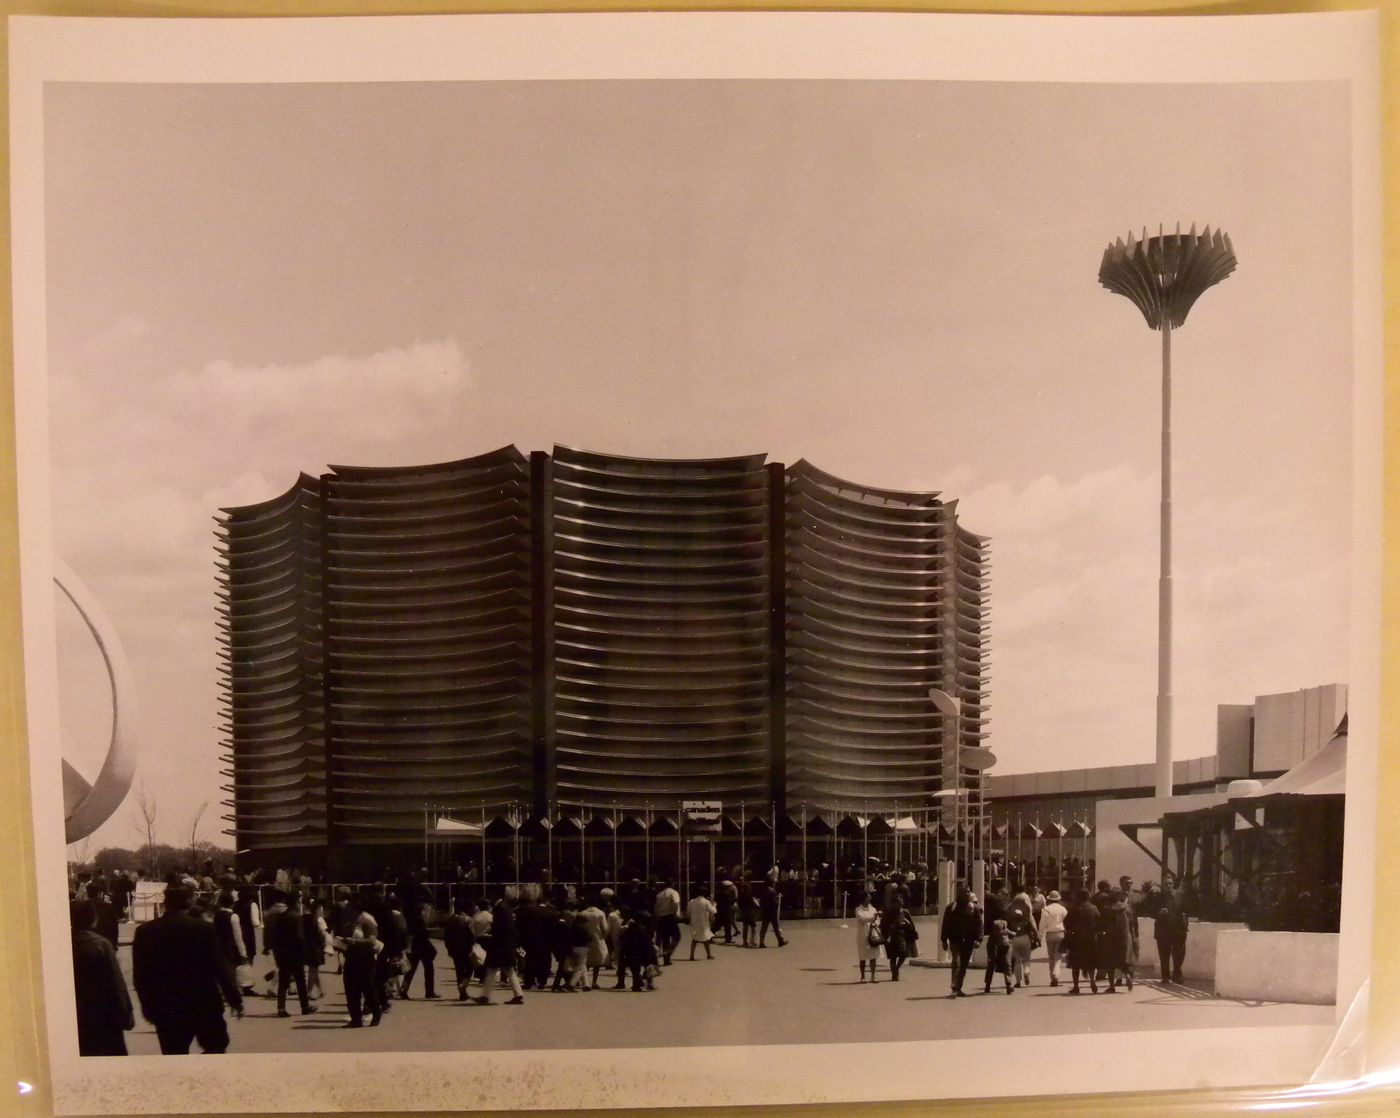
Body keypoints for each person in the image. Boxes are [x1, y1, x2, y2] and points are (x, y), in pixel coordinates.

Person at [131, 885, 244, 1054]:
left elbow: (141, 976)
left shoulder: (145, 931)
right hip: (204, 1003)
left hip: (167, 1007)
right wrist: (234, 999)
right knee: (215, 1050)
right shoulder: (204, 929)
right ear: (189, 902)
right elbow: (220, 968)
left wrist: (148, 1007)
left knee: (174, 1056)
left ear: (165, 903)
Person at [71, 898, 133, 1056]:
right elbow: (116, 983)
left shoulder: (64, 944)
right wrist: (126, 1015)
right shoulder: (101, 945)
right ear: (93, 919)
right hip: (103, 1016)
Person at [268, 893, 318, 1017]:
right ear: (296, 902)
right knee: (300, 980)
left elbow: (276, 935)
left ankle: (281, 1008)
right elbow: (299, 937)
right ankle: (305, 1006)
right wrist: (304, 951)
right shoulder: (296, 917)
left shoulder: (282, 916)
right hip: (295, 952)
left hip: (283, 952)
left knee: (283, 981)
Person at [336, 900, 383, 1027]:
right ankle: (355, 1018)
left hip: (365, 960)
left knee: (368, 988)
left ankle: (376, 1014)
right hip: (351, 959)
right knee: (351, 990)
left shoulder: (367, 922)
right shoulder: (350, 923)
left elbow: (372, 941)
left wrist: (354, 942)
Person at [478, 898, 524, 1005]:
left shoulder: (500, 909)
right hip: (507, 946)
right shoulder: (506, 909)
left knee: (492, 970)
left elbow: (498, 929)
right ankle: (518, 994)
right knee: (509, 971)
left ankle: (485, 996)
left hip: (499, 947)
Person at [939, 886, 982, 997]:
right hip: (955, 939)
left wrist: (979, 939)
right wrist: (944, 939)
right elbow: (945, 924)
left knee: (963, 965)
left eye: (968, 892)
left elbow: (979, 925)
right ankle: (954, 986)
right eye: (964, 892)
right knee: (956, 962)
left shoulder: (974, 908)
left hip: (969, 940)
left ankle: (958, 988)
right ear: (959, 894)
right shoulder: (951, 908)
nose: (967, 894)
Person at [1096, 889, 1135, 993]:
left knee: (1110, 963)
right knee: (1123, 960)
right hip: (1125, 937)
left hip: (1111, 937)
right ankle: (1127, 975)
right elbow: (1132, 924)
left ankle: (1111, 986)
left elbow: (1101, 925)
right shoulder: (1127, 908)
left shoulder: (1106, 909)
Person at [401, 896, 439, 1000]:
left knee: (410, 970)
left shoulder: (410, 919)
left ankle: (404, 989)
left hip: (415, 947)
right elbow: (420, 934)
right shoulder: (419, 920)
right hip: (423, 947)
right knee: (429, 969)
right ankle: (429, 991)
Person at [1063, 889, 1100, 994]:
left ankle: (1076, 986)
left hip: (1077, 940)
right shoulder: (1093, 908)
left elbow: (1066, 923)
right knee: (1091, 962)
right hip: (1091, 939)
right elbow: (1099, 921)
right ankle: (1092, 981)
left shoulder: (1074, 908)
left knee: (1075, 964)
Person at [441, 900, 476, 1000]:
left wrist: (448, 948)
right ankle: (464, 985)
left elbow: (446, 935)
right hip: (466, 948)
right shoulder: (468, 919)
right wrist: (473, 944)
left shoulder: (450, 919)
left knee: (459, 970)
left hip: (454, 949)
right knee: (470, 967)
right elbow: (472, 935)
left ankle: (462, 992)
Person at [1154, 888, 1190, 983]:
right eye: (1166, 884)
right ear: (1163, 885)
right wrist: (1159, 912)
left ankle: (1177, 975)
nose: (1168, 886)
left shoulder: (1180, 896)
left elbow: (1187, 910)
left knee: (1179, 954)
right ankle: (1165, 976)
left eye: (1170, 883)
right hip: (1163, 931)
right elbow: (1149, 910)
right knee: (1164, 955)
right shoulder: (1158, 897)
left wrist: (1184, 919)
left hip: (1177, 930)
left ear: (1173, 885)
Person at [618, 911, 658, 992]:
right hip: (643, 950)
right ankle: (647, 983)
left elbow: (625, 940)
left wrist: (624, 951)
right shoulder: (645, 928)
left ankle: (637, 984)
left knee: (636, 969)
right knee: (648, 966)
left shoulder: (632, 928)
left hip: (634, 951)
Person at [1005, 891, 1037, 987]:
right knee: (1026, 959)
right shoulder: (1027, 911)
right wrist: (1036, 937)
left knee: (1017, 961)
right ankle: (1027, 971)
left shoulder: (1009, 911)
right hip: (1025, 937)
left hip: (1014, 938)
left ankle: (1018, 981)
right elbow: (1033, 927)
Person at [879, 899, 916, 982]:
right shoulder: (889, 913)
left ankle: (896, 968)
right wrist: (885, 936)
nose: (901, 904)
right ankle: (894, 975)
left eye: (902, 902)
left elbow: (911, 923)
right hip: (891, 936)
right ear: (894, 903)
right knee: (893, 957)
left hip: (902, 936)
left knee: (904, 953)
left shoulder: (905, 912)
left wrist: (913, 933)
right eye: (899, 902)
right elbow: (883, 925)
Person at [1038, 889, 1068, 987]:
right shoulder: (1063, 909)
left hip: (1050, 934)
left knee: (1051, 957)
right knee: (1058, 957)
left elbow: (1042, 924)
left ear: (1049, 900)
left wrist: (1039, 936)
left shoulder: (1045, 909)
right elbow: (1067, 922)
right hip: (1060, 933)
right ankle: (1056, 974)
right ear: (1058, 899)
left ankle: (1052, 977)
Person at [853, 892, 881, 982]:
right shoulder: (858, 909)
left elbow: (878, 921)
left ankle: (873, 975)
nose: (870, 897)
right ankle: (862, 976)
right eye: (868, 896)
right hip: (863, 934)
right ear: (864, 898)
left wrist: (875, 922)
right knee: (863, 956)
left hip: (873, 934)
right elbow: (862, 919)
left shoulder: (873, 909)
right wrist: (873, 918)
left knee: (873, 956)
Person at [653, 880, 682, 965]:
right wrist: (675, 913)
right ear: (672, 884)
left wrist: (657, 917)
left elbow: (656, 907)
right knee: (677, 937)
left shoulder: (659, 894)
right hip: (670, 916)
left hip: (661, 917)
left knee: (664, 938)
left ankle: (663, 958)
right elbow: (676, 903)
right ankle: (667, 954)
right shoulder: (673, 893)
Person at [982, 916, 1014, 995]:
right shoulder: (1004, 931)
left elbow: (989, 946)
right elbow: (1013, 934)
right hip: (1000, 950)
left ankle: (988, 985)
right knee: (1007, 966)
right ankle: (1008, 985)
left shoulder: (994, 935)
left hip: (998, 950)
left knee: (991, 966)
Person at [687, 888, 717, 961]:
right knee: (706, 938)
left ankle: (692, 955)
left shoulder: (692, 901)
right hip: (703, 922)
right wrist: (714, 905)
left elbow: (688, 911)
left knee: (694, 939)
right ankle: (708, 954)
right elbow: (713, 911)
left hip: (694, 922)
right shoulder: (706, 902)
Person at [758, 881, 787, 947]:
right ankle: (780, 940)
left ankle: (761, 942)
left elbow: (761, 902)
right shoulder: (772, 891)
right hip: (772, 911)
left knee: (764, 927)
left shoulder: (763, 892)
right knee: (776, 927)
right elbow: (775, 902)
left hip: (765, 911)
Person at [737, 879, 758, 948]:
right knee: (753, 927)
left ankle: (745, 941)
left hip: (743, 912)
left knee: (745, 927)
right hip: (749, 912)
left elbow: (739, 904)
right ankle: (752, 940)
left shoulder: (740, 895)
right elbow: (753, 904)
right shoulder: (749, 895)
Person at [716, 878, 738, 944]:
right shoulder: (726, 894)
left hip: (720, 910)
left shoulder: (718, 892)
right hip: (726, 911)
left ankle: (710, 936)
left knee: (718, 925)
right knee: (727, 925)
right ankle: (728, 939)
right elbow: (731, 901)